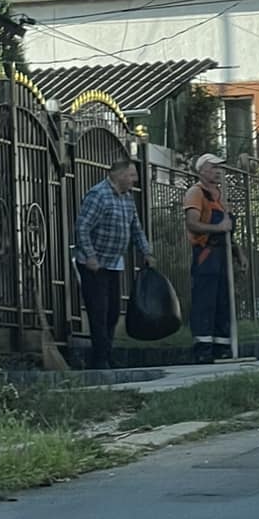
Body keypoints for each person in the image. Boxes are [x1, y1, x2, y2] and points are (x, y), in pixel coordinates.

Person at [73, 155, 153, 370]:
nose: (135, 180)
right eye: (131, 175)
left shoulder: (127, 198)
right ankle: (100, 359)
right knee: (98, 311)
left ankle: (106, 354)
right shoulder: (98, 195)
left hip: (113, 263)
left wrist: (146, 251)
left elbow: (135, 227)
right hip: (94, 264)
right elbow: (82, 227)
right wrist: (90, 256)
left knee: (113, 311)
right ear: (118, 175)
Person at [183, 153, 234, 365]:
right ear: (202, 169)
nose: (218, 171)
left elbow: (229, 230)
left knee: (223, 300)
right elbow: (192, 224)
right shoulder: (196, 193)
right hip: (206, 253)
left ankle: (222, 346)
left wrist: (238, 254)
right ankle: (203, 347)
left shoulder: (219, 195)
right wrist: (217, 228)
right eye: (213, 167)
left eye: (219, 168)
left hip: (223, 253)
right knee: (205, 301)